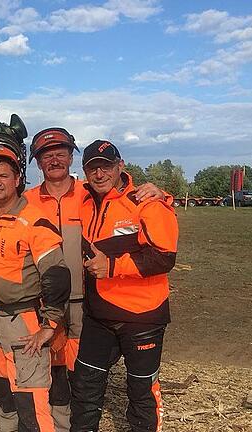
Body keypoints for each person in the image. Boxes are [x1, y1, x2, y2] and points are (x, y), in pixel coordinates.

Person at [23, 128, 166, 432]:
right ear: (37, 162)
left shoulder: (88, 194)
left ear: (72, 157)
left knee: (82, 376)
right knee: (54, 369)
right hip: (47, 302)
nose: (55, 159)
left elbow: (129, 197)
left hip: (87, 303)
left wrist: (161, 194)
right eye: (46, 155)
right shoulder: (26, 201)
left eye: (61, 152)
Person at [70, 140, 178, 432]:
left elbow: (164, 258)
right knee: (84, 387)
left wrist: (113, 267)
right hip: (99, 314)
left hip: (142, 316)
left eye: (106, 166)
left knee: (142, 393)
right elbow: (50, 194)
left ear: (120, 166)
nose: (100, 174)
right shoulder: (84, 200)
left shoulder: (147, 203)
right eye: (92, 168)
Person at [0, 136, 71, 432]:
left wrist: (49, 326)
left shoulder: (34, 221)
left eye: (3, 176)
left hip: (23, 322)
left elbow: (57, 275)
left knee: (31, 406)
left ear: (17, 179)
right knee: (4, 400)